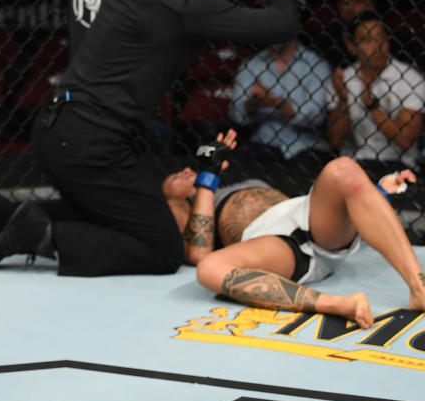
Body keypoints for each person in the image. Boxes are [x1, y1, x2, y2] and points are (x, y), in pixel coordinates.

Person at [0, 0, 299, 276]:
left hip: (55, 128)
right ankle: (46, 235)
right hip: (94, 145)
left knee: (116, 214)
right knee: (162, 247)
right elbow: (282, 24)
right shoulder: (186, 7)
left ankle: (0, 214)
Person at [164, 129, 425, 329]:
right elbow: (198, 252)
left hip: (309, 221)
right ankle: (337, 304)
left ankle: (419, 287)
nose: (185, 171)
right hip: (275, 246)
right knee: (209, 267)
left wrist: (375, 195)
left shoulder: (224, 187)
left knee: (343, 169)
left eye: (187, 170)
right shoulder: (186, 206)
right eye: (176, 176)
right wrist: (207, 175)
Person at [227, 35, 334, 188]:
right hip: (263, 142)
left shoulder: (316, 65)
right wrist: (253, 103)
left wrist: (277, 103)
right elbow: (236, 113)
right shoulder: (253, 64)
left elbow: (316, 116)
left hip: (306, 146)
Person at [327, 12, 424, 178]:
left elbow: (405, 141)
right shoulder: (344, 79)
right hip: (356, 163)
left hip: (401, 166)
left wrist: (373, 107)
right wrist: (343, 100)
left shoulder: (409, 78)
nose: (377, 46)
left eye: (381, 38)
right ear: (351, 46)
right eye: (367, 40)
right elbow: (335, 141)